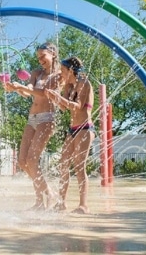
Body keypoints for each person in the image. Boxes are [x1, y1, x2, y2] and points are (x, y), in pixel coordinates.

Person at [2, 42, 61, 208]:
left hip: (47, 118)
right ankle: (39, 200)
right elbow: (28, 90)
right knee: (22, 161)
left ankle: (49, 194)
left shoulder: (58, 75)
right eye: (38, 57)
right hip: (32, 118)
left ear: (53, 54)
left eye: (43, 56)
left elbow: (44, 93)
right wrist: (14, 88)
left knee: (32, 159)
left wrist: (23, 88)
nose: (40, 60)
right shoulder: (36, 73)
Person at [46, 56, 94, 214]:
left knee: (80, 166)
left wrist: (59, 98)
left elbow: (78, 107)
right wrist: (54, 97)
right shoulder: (68, 86)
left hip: (85, 128)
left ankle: (83, 205)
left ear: (70, 70)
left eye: (62, 70)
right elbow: (64, 108)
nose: (60, 72)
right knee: (63, 164)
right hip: (73, 129)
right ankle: (61, 203)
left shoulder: (84, 84)